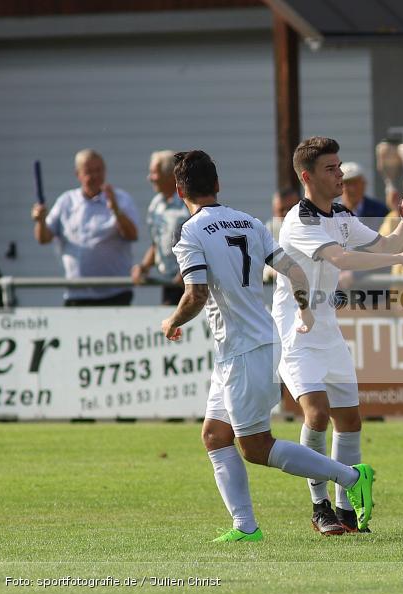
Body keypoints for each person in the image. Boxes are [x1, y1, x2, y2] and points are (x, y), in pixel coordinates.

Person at [163, 149, 376, 542]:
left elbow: (194, 294)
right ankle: (245, 527)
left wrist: (172, 321)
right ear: (218, 185)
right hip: (252, 343)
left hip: (244, 349)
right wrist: (303, 309)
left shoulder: (190, 231)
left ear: (179, 190)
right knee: (214, 435)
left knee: (257, 447)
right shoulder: (247, 221)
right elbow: (293, 269)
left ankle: (351, 477)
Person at [272, 137, 403, 535]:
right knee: (317, 414)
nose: (340, 174)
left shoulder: (341, 214)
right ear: (307, 176)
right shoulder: (299, 220)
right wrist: (401, 259)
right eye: (331, 168)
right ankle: (320, 506)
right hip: (297, 332)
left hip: (328, 330)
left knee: (351, 421)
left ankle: (345, 510)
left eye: (339, 167)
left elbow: (386, 243)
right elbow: (341, 258)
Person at [31, 149, 139, 306]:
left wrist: (116, 210)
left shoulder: (121, 199)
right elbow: (43, 238)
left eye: (99, 170)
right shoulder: (66, 201)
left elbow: (132, 235)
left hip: (115, 294)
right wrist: (40, 221)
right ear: (78, 174)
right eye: (89, 171)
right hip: (77, 294)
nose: (95, 176)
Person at [132, 150, 190, 305]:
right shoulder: (156, 204)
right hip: (170, 283)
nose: (150, 178)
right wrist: (143, 267)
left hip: (193, 282)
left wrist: (188, 270)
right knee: (171, 327)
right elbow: (157, 243)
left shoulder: (189, 201)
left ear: (171, 176)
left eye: (154, 173)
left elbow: (204, 241)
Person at [263, 186, 300, 283]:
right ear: (274, 211)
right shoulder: (269, 229)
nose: (287, 213)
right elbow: (262, 267)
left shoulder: (310, 228)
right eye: (282, 210)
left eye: (291, 208)